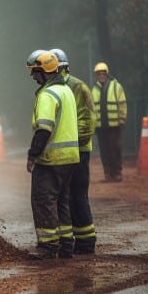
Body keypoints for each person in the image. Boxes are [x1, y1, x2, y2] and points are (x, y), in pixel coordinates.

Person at [26, 50, 80, 259]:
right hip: (71, 158)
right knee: (62, 201)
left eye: (34, 72)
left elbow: (44, 129)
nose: (32, 77)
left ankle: (47, 247)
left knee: (43, 201)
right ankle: (67, 244)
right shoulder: (66, 91)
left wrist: (33, 154)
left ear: (43, 71)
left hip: (51, 160)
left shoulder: (48, 95)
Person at [50, 48, 97, 254]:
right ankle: (68, 242)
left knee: (77, 195)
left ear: (62, 68)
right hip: (65, 153)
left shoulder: (77, 87)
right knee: (65, 197)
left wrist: (73, 146)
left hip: (78, 151)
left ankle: (86, 243)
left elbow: (87, 122)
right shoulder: (57, 87)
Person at [91, 62, 127, 182]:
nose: (101, 75)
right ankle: (108, 174)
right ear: (96, 75)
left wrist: (122, 119)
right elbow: (92, 109)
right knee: (104, 151)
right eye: (99, 74)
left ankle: (117, 173)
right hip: (100, 127)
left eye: (103, 73)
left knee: (115, 149)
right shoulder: (94, 90)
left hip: (114, 125)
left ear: (107, 74)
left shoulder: (116, 87)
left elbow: (122, 104)